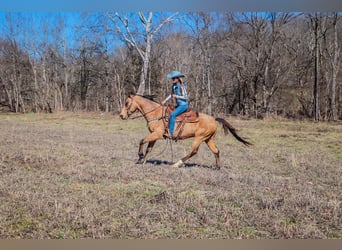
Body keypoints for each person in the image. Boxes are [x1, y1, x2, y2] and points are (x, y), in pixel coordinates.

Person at [161, 71, 189, 139]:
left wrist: (177, 96)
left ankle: (170, 133)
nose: (172, 80)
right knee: (168, 111)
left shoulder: (182, 86)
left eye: (173, 78)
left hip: (183, 105)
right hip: (178, 104)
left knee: (173, 114)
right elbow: (171, 94)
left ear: (177, 78)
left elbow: (185, 97)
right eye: (172, 79)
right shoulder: (174, 86)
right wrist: (165, 100)